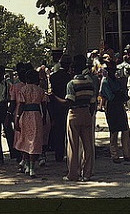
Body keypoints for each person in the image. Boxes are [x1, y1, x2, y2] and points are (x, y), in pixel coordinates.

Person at [50, 54, 97, 182]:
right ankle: (86, 173)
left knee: (72, 146)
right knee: (88, 145)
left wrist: (54, 97)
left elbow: (68, 102)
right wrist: (90, 113)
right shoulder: (89, 82)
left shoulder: (71, 84)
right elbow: (93, 102)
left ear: (72, 69)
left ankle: (73, 174)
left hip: (74, 114)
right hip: (86, 113)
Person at [100, 62, 130, 163]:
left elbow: (123, 94)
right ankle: (114, 155)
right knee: (114, 131)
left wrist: (121, 95)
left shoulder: (116, 81)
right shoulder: (105, 82)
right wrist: (119, 94)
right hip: (111, 106)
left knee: (125, 130)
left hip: (119, 106)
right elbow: (110, 97)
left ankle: (127, 154)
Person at [14, 69, 48, 178]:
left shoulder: (23, 90)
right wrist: (43, 118)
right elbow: (44, 105)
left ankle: (27, 165)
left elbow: (21, 105)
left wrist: (17, 117)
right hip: (36, 116)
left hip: (25, 116)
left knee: (25, 140)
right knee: (35, 141)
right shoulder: (40, 90)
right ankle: (32, 168)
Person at [47, 54, 72, 162]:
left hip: (56, 106)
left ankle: (59, 154)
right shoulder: (70, 78)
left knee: (58, 131)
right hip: (68, 105)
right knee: (69, 132)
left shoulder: (53, 77)